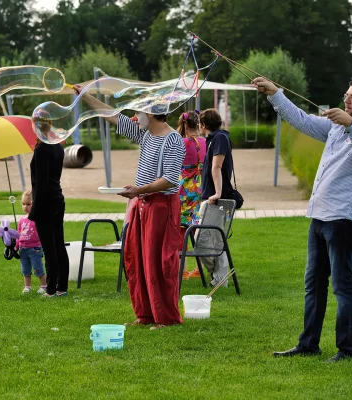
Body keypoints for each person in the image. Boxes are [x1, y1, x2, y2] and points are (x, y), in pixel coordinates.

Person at [253, 77, 352, 362]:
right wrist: (276, 94)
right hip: (319, 217)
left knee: (342, 285)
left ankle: (348, 350)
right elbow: (300, 119)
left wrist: (350, 125)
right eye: (346, 95)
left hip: (344, 221)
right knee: (313, 284)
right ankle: (308, 344)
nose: (347, 100)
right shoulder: (335, 127)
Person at [74, 84, 186, 330]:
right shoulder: (145, 134)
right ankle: (145, 315)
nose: (136, 117)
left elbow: (170, 179)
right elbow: (114, 116)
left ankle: (166, 318)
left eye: (140, 112)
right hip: (142, 204)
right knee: (137, 259)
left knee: (159, 262)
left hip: (161, 206)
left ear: (154, 114)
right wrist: (86, 97)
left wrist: (139, 190)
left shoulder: (173, 139)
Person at [28, 140, 70, 298]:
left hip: (45, 203)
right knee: (59, 244)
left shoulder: (41, 149)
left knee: (49, 248)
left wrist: (35, 210)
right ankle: (62, 287)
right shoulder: (57, 146)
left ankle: (51, 289)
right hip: (58, 200)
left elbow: (41, 183)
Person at [198, 108, 234, 287]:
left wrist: (218, 193)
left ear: (203, 125)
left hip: (216, 198)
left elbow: (217, 167)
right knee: (213, 239)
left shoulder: (219, 138)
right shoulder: (215, 138)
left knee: (203, 239)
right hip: (212, 196)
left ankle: (219, 277)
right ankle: (219, 277)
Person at [177, 110, 206, 280]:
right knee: (198, 226)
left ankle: (183, 268)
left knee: (181, 228)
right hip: (201, 186)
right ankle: (199, 268)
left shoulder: (183, 142)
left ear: (185, 125)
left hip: (185, 189)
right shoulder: (206, 142)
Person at [17, 190, 48, 295]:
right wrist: (16, 246)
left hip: (35, 248)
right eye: (23, 204)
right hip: (23, 248)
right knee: (25, 270)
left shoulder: (37, 219)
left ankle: (44, 286)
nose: (25, 207)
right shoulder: (21, 220)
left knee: (38, 268)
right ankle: (27, 287)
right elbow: (18, 234)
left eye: (29, 204)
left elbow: (43, 233)